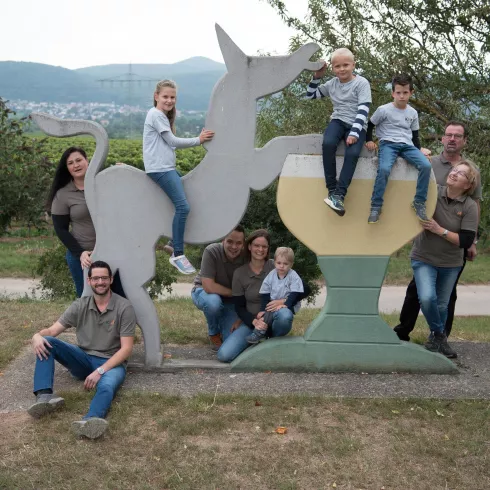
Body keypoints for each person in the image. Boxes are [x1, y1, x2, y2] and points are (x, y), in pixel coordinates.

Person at [394, 121, 483, 341]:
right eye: (448, 135)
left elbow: (475, 204)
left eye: (457, 136)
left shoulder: (471, 171)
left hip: (453, 240)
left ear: (464, 141)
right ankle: (403, 331)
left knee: (447, 294)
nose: (452, 139)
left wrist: (471, 241)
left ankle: (441, 336)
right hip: (425, 240)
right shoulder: (429, 163)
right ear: (442, 139)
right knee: (417, 290)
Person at [27, 261, 136, 439]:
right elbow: (53, 331)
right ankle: (45, 397)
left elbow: (126, 349)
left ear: (111, 279)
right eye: (96, 278)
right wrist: (36, 336)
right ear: (89, 280)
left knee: (107, 385)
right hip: (83, 358)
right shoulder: (80, 305)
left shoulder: (125, 308)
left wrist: (100, 371)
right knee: (46, 341)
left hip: (111, 362)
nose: (100, 282)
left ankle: (91, 420)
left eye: (104, 278)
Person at [143, 79, 214, 274]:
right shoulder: (155, 114)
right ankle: (177, 252)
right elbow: (173, 140)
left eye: (172, 97)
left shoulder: (162, 117)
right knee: (183, 206)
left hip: (166, 167)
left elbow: (169, 145)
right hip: (161, 169)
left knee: (188, 193)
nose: (169, 100)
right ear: (156, 96)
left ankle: (172, 242)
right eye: (165, 96)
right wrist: (199, 141)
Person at [410, 162, 478, 358]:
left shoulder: (469, 206)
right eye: (454, 170)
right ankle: (440, 335)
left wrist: (439, 230)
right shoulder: (432, 191)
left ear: (468, 185)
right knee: (427, 298)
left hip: (451, 263)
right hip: (423, 257)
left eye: (462, 174)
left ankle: (435, 339)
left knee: (441, 305)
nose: (455, 174)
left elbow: (465, 241)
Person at [217, 230, 307, 363]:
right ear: (249, 247)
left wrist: (283, 301)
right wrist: (253, 321)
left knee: (285, 316)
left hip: (276, 317)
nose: (260, 249)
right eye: (256, 245)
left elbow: (305, 289)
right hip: (254, 322)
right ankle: (258, 339)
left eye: (264, 246)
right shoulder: (240, 273)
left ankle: (273, 341)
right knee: (224, 355)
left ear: (268, 249)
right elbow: (239, 307)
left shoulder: (278, 264)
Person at [46, 147, 125, 298]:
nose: (75, 165)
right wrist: (80, 253)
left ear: (88, 161)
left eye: (78, 160)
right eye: (70, 163)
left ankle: (119, 322)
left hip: (112, 252)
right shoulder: (63, 194)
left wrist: (121, 174)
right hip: (83, 257)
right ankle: (89, 323)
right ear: (67, 168)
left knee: (121, 296)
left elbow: (125, 202)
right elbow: (61, 229)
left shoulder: (104, 183)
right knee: (87, 300)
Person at [306, 48, 372, 216]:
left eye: (346, 65)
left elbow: (363, 110)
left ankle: (340, 195)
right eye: (337, 66)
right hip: (338, 120)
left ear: (353, 65)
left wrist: (354, 133)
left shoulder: (361, 83)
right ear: (333, 68)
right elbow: (311, 95)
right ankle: (332, 190)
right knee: (328, 144)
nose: (342, 69)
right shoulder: (332, 84)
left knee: (353, 153)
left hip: (357, 124)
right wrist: (317, 77)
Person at [365, 74, 432, 224]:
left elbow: (415, 136)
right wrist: (369, 140)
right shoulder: (384, 110)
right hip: (388, 143)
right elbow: (370, 125)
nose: (401, 96)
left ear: (411, 93)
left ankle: (419, 202)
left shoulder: (412, 112)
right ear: (393, 93)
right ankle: (376, 206)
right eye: (398, 93)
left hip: (407, 146)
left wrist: (419, 150)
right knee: (384, 169)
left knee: (426, 165)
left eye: (405, 92)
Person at [191, 225, 246, 351]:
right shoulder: (212, 251)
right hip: (203, 292)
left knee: (230, 341)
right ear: (223, 240)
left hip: (230, 301)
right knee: (214, 303)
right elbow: (208, 286)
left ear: (243, 244)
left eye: (238, 243)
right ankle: (214, 332)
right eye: (230, 241)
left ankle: (223, 325)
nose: (234, 247)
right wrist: (235, 293)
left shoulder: (247, 257)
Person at [246, 246, 304, 344]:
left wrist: (285, 304)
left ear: (291, 264)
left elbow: (295, 293)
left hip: (288, 305)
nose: (281, 266)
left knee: (283, 314)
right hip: (272, 304)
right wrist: (262, 310)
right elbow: (265, 293)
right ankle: (259, 333)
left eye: (285, 264)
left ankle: (269, 336)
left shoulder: (293, 276)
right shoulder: (271, 275)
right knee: (265, 316)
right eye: (279, 263)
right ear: (275, 262)